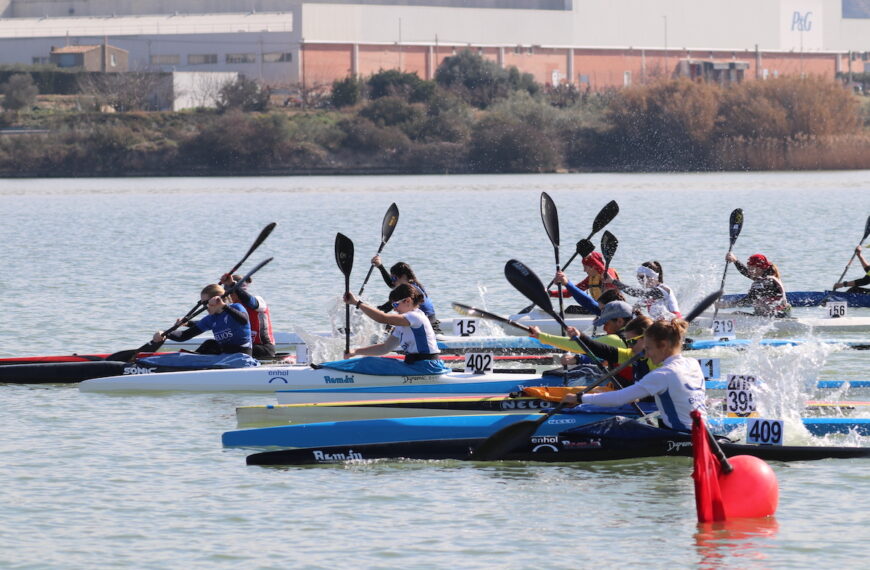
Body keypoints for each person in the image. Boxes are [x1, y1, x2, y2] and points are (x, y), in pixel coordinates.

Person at [560, 318, 706, 432]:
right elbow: (607, 352)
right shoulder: (693, 363)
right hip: (701, 430)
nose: (646, 354)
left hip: (679, 433)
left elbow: (619, 398)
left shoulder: (663, 374)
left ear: (663, 345)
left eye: (648, 348)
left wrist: (580, 398)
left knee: (616, 426)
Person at [334, 283, 445, 375]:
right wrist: (355, 352)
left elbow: (382, 318)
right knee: (368, 361)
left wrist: (356, 303)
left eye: (396, 305)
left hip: (427, 367)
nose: (394, 310)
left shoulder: (415, 317)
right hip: (416, 366)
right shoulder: (402, 324)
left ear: (407, 301)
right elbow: (385, 348)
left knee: (369, 363)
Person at [530, 313, 654, 388]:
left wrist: (542, 336)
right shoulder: (630, 355)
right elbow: (597, 348)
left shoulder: (658, 363)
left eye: (632, 342)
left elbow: (582, 347)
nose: (603, 328)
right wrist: (581, 337)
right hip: (625, 391)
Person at [154, 284, 253, 356]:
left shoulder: (236, 307)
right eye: (202, 304)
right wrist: (165, 333)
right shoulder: (210, 319)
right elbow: (185, 335)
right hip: (224, 355)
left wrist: (223, 306)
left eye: (205, 303)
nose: (204, 307)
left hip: (241, 355)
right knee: (209, 344)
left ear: (217, 300)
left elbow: (243, 320)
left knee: (211, 345)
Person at [371, 255, 442, 333]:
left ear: (404, 276)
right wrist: (380, 266)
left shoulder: (408, 291)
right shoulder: (414, 285)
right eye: (392, 279)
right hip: (431, 322)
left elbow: (385, 308)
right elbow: (392, 284)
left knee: (384, 325)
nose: (393, 282)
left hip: (425, 327)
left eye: (394, 278)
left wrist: (366, 310)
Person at [220, 273, 276, 359]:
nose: (229, 296)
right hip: (245, 347)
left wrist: (232, 284)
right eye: (227, 293)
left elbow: (248, 300)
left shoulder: (258, 301)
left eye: (231, 293)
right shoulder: (231, 307)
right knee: (210, 345)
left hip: (263, 348)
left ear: (241, 291)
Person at [604, 261, 682, 320]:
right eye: (638, 277)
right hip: (661, 325)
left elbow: (635, 292)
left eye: (642, 277)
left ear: (653, 277)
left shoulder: (663, 290)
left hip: (675, 323)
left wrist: (613, 281)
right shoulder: (647, 295)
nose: (640, 281)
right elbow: (634, 310)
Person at [725, 252, 791, 317]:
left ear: (760, 268)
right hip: (772, 316)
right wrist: (735, 260)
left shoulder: (768, 281)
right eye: (749, 268)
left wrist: (728, 305)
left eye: (751, 268)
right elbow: (745, 271)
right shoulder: (766, 277)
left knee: (736, 314)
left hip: (775, 318)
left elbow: (749, 299)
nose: (749, 271)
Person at [552, 252, 620, 302]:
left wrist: (591, 258)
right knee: (571, 309)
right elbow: (571, 292)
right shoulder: (590, 278)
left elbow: (612, 293)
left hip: (613, 309)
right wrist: (550, 293)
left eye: (585, 267)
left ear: (593, 267)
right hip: (600, 308)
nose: (584, 270)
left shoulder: (608, 274)